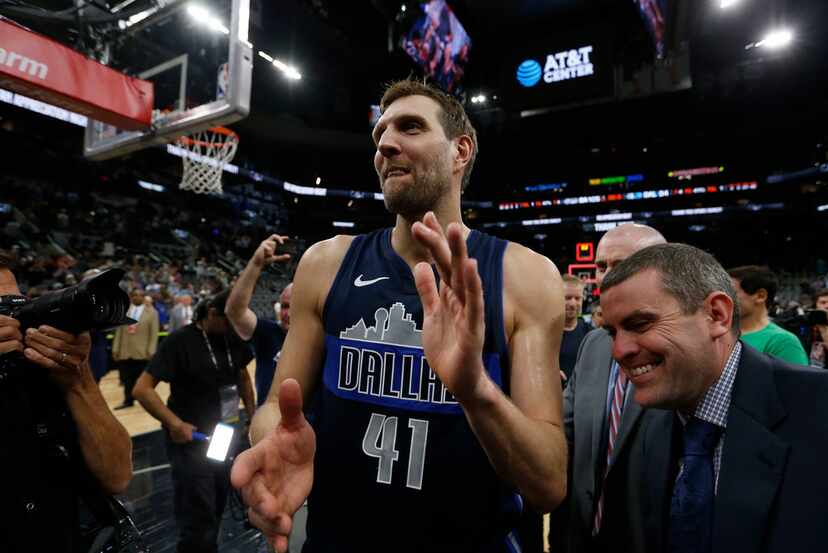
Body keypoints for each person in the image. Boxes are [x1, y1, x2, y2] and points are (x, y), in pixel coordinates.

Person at [231, 79, 568, 553]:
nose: (386, 144)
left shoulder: (527, 277)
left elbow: (548, 483)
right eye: (380, 135)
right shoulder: (326, 263)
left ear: (460, 151)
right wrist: (272, 441)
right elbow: (275, 408)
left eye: (410, 127)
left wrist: (476, 393)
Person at [600, 243, 828, 553]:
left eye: (639, 324)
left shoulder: (820, 409)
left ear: (716, 314)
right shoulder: (643, 428)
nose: (619, 351)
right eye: (611, 333)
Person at [0, 259, 132, 552]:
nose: (12, 318)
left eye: (15, 303)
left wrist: (79, 379)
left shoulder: (46, 373)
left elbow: (117, 475)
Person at [559, 222, 666, 553]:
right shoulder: (592, 345)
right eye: (602, 267)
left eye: (622, 266)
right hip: (583, 535)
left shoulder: (680, 348)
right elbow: (566, 431)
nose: (606, 277)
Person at [133, 290, 254, 553]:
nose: (234, 326)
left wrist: (252, 417)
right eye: (229, 319)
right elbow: (142, 389)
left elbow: (243, 377)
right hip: (190, 440)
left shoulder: (231, 337)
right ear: (212, 313)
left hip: (223, 434)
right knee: (197, 511)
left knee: (219, 500)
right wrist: (174, 423)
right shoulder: (179, 342)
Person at [226, 234, 292, 406]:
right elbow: (234, 311)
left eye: (294, 306)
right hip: (267, 427)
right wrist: (256, 264)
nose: (288, 313)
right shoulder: (268, 333)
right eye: (285, 306)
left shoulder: (318, 339)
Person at [727, 265, 808, 365]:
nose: (723, 298)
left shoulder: (784, 343)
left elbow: (797, 380)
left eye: (731, 292)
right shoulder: (718, 333)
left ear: (761, 296)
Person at [112, 287, 159, 408]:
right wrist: (116, 349)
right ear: (131, 297)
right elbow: (119, 332)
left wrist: (151, 350)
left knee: (142, 379)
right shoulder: (124, 311)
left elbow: (154, 334)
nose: (137, 297)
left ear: (143, 297)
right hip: (126, 350)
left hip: (143, 352)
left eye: (140, 295)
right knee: (127, 379)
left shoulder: (152, 312)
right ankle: (128, 401)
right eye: (134, 295)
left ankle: (145, 401)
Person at [559, 274, 592, 382]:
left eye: (577, 298)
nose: (573, 303)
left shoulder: (591, 334)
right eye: (567, 298)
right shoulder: (543, 334)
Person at [809, 288, 828, 368]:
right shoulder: (806, 323)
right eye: (823, 303)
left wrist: (823, 328)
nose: (827, 306)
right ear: (816, 305)